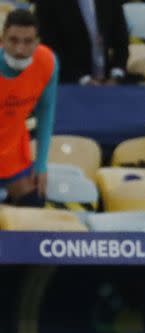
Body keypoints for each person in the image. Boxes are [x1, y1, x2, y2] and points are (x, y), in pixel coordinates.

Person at [0, 9, 58, 206]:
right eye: (13, 40)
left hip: (12, 151)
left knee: (34, 202)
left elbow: (46, 112)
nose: (19, 49)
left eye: (27, 41)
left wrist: (41, 164)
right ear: (3, 40)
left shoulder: (47, 62)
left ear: (37, 42)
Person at [35, 0, 129, 85]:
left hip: (111, 83)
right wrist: (84, 80)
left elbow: (121, 42)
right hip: (70, 84)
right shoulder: (47, 3)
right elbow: (50, 49)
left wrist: (116, 75)